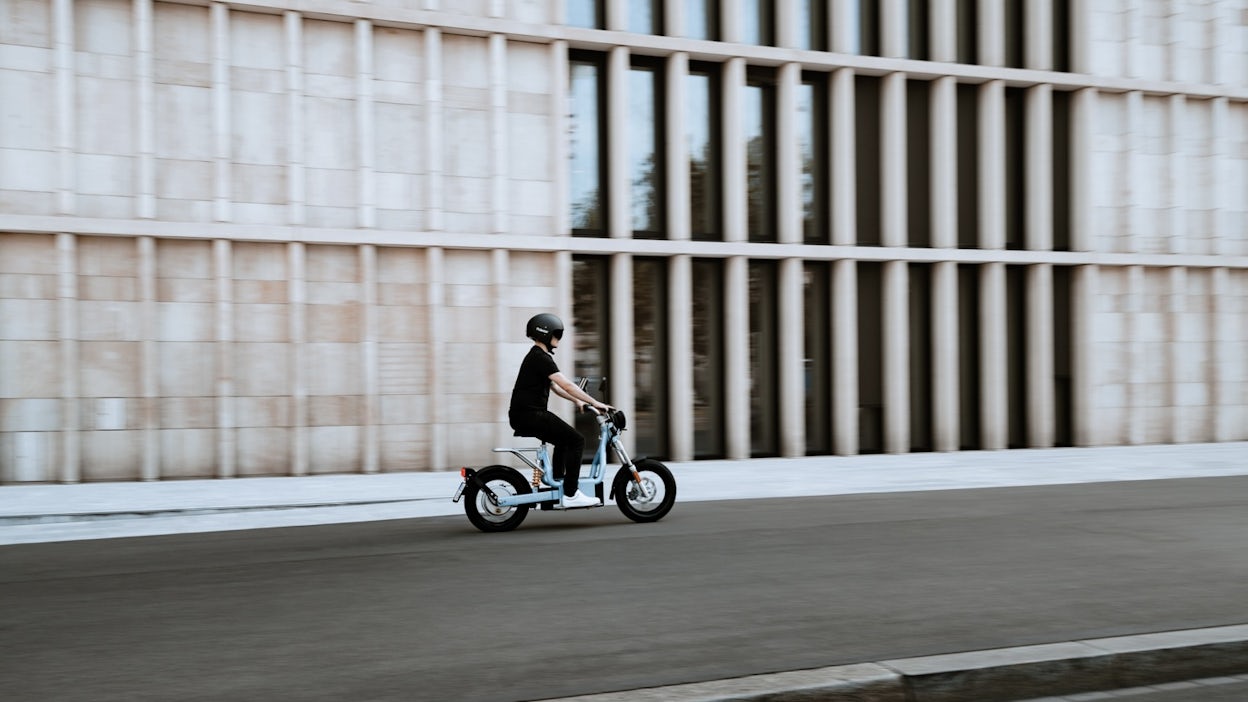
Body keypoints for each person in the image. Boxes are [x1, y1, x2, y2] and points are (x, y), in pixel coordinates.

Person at [508, 313, 611, 509]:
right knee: (576, 440)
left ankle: (559, 479)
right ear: (545, 333)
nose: (558, 339)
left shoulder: (536, 357)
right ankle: (571, 494)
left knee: (564, 440)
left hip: (525, 414)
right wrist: (595, 402)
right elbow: (566, 384)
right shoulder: (540, 358)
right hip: (531, 414)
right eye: (557, 334)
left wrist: (577, 401)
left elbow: (555, 388)